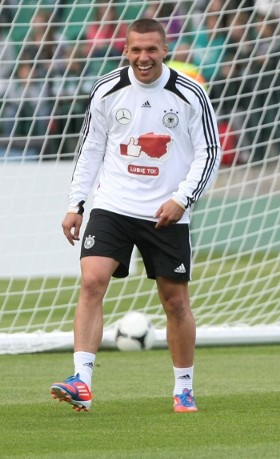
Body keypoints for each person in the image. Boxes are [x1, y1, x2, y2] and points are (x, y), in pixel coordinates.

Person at [50, 18, 221, 413]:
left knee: (174, 302)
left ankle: (183, 388)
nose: (143, 57)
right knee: (92, 280)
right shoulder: (108, 89)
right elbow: (90, 148)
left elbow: (209, 153)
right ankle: (82, 381)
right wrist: (76, 204)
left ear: (165, 50)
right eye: (136, 50)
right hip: (114, 204)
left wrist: (182, 199)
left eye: (151, 49)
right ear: (125, 51)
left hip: (166, 210)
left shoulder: (190, 93)